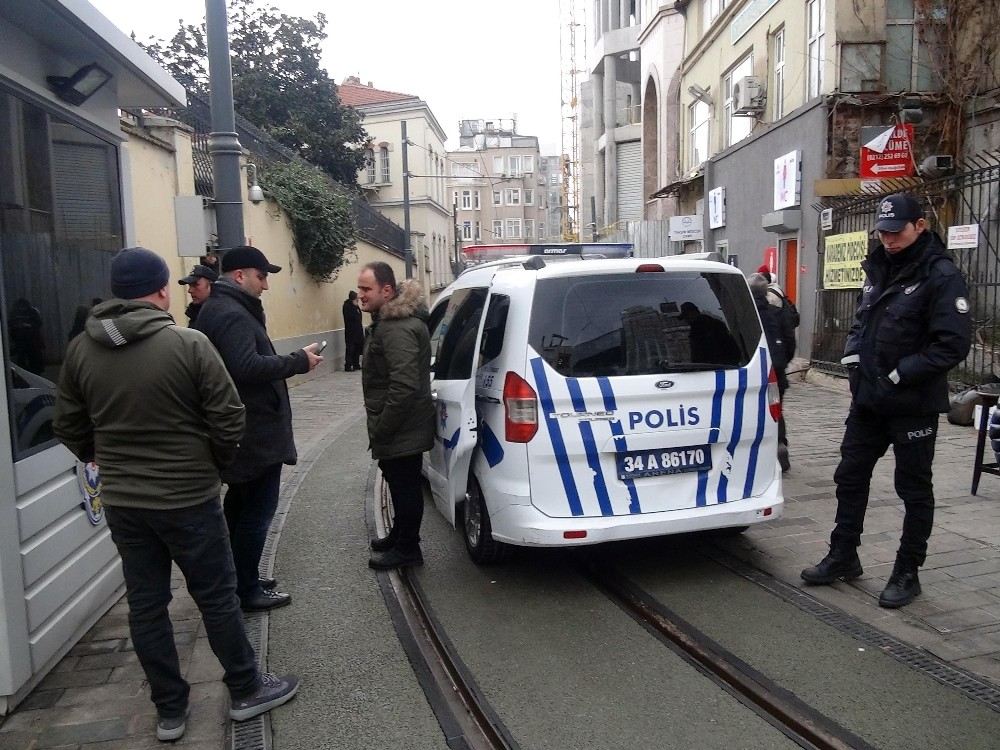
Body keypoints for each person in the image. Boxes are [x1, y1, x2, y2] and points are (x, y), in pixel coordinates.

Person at [52, 246, 299, 742]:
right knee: (216, 595)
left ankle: (170, 710)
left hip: (125, 501)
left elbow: (68, 425)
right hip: (188, 497)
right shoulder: (186, 344)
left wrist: (105, 459)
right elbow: (230, 417)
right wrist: (214, 464)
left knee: (146, 604)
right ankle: (246, 688)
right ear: (162, 290)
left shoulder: (82, 348)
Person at [801, 193, 972, 608]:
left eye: (897, 232)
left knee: (913, 489)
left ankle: (907, 571)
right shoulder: (877, 266)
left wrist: (901, 373)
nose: (890, 239)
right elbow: (864, 319)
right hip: (869, 400)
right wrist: (854, 358)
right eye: (883, 231)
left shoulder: (941, 275)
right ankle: (843, 555)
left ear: (920, 226)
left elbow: (952, 344)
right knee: (850, 476)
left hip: (912, 403)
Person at [194, 246, 323, 610]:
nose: (266, 285)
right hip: (252, 434)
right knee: (256, 512)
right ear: (240, 276)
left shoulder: (223, 309)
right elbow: (245, 367)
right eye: (261, 276)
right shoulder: (231, 314)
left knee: (240, 507)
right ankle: (246, 589)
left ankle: (241, 577)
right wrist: (298, 361)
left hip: (246, 431)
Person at [357, 261, 435, 569]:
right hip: (400, 424)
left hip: (402, 425)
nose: (360, 295)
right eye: (360, 288)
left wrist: (382, 426)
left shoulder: (397, 327)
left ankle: (408, 549)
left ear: (386, 291)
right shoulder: (388, 322)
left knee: (405, 488)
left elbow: (402, 386)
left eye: (366, 289)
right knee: (398, 481)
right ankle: (400, 535)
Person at [749, 272, 792, 472]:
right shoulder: (776, 312)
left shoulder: (745, 314)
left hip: (754, 373)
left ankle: (757, 453)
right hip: (777, 373)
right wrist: (782, 363)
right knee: (775, 410)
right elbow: (790, 342)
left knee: (753, 412)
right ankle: (780, 446)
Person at [678, 301, 741, 366]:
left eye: (686, 317)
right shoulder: (716, 324)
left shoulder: (699, 330)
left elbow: (699, 357)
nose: (686, 320)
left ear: (693, 313)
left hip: (713, 368)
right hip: (727, 367)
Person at [342, 290, 364, 371]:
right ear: (353, 298)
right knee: (350, 348)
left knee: (357, 348)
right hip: (351, 332)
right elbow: (351, 318)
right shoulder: (347, 306)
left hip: (358, 331)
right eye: (356, 299)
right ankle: (348, 365)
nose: (358, 300)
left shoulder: (356, 306)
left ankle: (356, 364)